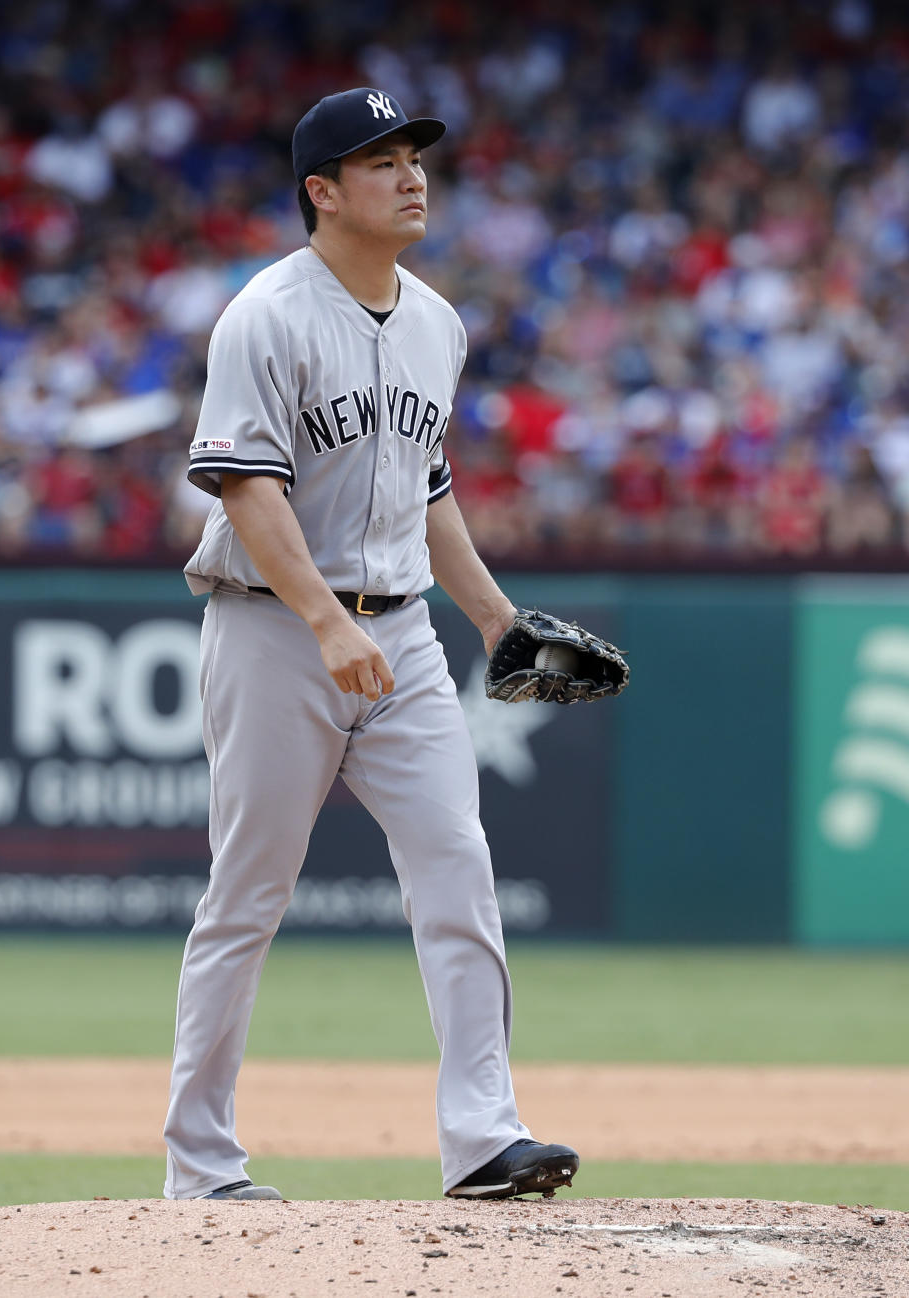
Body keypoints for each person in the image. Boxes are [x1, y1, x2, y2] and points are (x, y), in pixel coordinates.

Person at [163, 87, 579, 1203]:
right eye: (380, 159)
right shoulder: (266, 314)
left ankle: (484, 1134)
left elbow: (427, 494)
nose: (411, 176)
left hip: (402, 635)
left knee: (459, 868)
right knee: (247, 894)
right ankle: (200, 1166)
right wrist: (324, 621)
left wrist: (497, 618)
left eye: (415, 156)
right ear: (322, 191)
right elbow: (247, 487)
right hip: (274, 630)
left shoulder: (438, 320)